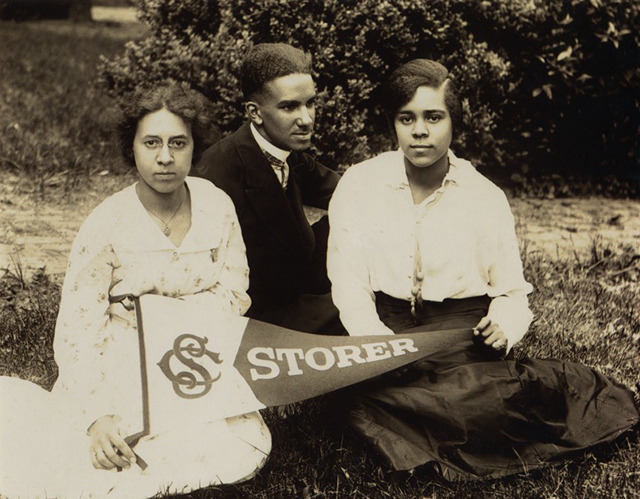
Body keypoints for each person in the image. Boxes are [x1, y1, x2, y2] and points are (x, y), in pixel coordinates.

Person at [327, 59, 639, 481]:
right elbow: (348, 281)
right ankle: (443, 421)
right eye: (407, 118)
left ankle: (453, 420)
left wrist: (503, 326)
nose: (420, 131)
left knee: (478, 398)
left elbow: (511, 291)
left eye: (433, 117)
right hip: (387, 332)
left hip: (460, 341)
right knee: (352, 396)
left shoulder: (483, 195)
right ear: (393, 124)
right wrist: (380, 346)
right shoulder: (360, 183)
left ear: (455, 122)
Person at [0, 82, 271, 499]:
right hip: (123, 357)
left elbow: (235, 291)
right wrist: (98, 416)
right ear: (133, 148)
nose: (165, 157)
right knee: (108, 455)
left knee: (227, 443)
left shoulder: (216, 206)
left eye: (178, 143)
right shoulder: (106, 223)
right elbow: (78, 330)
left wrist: (171, 313)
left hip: (192, 354)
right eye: (152, 143)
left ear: (194, 147)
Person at [196, 43, 343, 335]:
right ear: (255, 112)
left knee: (354, 216)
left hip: (298, 289)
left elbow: (348, 191)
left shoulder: (288, 152)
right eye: (289, 107)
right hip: (260, 319)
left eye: (310, 103)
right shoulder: (217, 176)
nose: (306, 119)